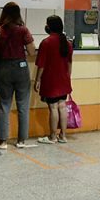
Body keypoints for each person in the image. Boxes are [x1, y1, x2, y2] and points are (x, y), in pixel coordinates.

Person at [0, 2, 36, 150]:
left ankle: (3, 142)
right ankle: (21, 140)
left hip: (4, 68)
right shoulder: (23, 30)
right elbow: (32, 52)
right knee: (23, 105)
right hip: (21, 68)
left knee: (4, 105)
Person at [35, 16, 74, 144]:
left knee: (53, 107)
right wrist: (68, 77)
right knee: (62, 106)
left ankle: (52, 136)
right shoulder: (67, 43)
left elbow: (41, 65)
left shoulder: (46, 42)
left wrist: (37, 80)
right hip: (63, 80)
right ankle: (63, 136)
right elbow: (69, 63)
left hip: (50, 80)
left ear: (50, 27)